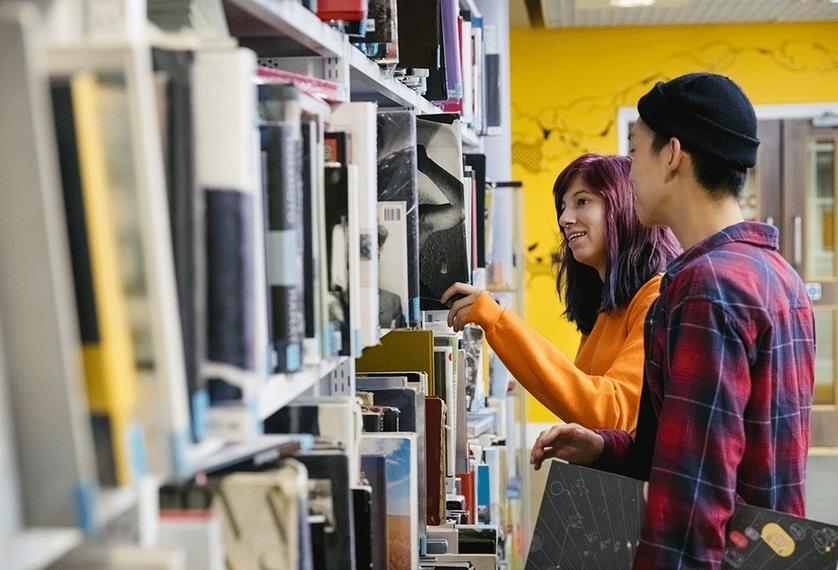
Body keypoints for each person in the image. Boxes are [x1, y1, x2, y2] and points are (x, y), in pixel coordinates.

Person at [529, 73, 815, 568]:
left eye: (635, 150)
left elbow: (694, 492)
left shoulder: (707, 287)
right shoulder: (775, 273)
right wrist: (606, 448)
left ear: (672, 155)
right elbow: (692, 444)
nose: (631, 170)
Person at [443, 153, 680, 431]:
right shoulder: (609, 304)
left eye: (583, 201)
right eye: (563, 207)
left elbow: (610, 412)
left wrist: (496, 320)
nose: (565, 219)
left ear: (622, 208)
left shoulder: (655, 297)